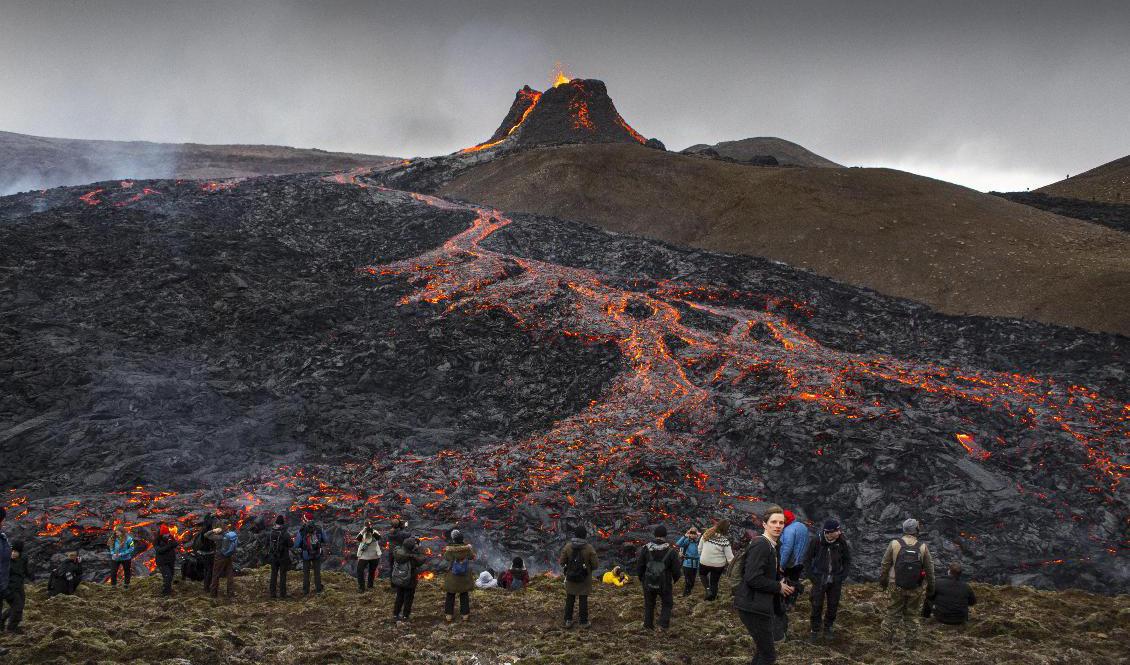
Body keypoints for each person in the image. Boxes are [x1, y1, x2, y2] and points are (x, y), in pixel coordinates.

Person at [733, 505, 793, 665]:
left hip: (758, 606)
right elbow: (752, 578)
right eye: (774, 522)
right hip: (753, 607)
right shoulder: (762, 545)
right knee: (768, 656)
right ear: (764, 524)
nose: (778, 526)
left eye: (781, 523)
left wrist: (780, 582)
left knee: (762, 651)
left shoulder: (772, 546)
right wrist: (777, 587)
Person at [879, 518, 936, 648]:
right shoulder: (922, 547)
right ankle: (911, 647)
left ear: (904, 529)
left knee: (892, 614)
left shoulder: (894, 544)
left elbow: (885, 565)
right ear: (916, 530)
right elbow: (930, 571)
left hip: (895, 585)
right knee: (911, 616)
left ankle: (884, 645)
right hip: (915, 588)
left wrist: (883, 583)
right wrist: (931, 589)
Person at [803, 518, 851, 641]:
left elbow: (847, 560)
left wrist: (842, 576)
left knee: (833, 604)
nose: (839, 532)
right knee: (816, 604)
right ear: (829, 532)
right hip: (819, 579)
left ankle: (828, 627)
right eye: (837, 530)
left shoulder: (841, 542)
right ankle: (814, 630)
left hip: (835, 579)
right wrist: (812, 577)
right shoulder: (816, 541)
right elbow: (807, 559)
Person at [636, 525, 681, 632]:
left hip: (648, 581)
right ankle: (663, 625)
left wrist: (642, 579)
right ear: (665, 535)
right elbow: (676, 570)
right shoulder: (671, 551)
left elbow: (640, 566)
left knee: (649, 604)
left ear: (655, 535)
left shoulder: (646, 549)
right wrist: (674, 579)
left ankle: (648, 625)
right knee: (667, 603)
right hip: (664, 583)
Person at [558, 525, 598, 629]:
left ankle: (568, 620)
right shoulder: (589, 548)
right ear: (585, 535)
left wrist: (569, 568)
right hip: (584, 579)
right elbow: (595, 565)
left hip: (571, 577)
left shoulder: (568, 546)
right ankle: (583, 622)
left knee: (570, 598)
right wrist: (587, 570)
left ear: (575, 534)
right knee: (583, 599)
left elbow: (562, 562)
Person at [442, 529, 476, 622]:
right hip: (464, 576)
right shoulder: (467, 549)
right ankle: (465, 615)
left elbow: (446, 557)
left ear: (453, 539)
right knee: (464, 595)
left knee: (450, 595)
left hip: (453, 576)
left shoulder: (450, 550)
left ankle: (449, 615)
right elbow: (472, 557)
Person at [698, 518, 735, 601]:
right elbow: (730, 558)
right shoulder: (725, 541)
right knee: (714, 581)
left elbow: (699, 549)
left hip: (704, 562)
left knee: (702, 575)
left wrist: (703, 556)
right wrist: (735, 567)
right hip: (718, 565)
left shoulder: (706, 535)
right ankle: (712, 598)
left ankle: (708, 590)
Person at [391, 537, 425, 622]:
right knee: (408, 598)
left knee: (399, 597)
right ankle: (405, 616)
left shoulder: (397, 553)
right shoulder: (412, 558)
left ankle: (396, 614)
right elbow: (421, 560)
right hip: (410, 580)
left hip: (399, 578)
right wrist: (418, 549)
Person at [1, 540, 31, 633]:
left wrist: (31, 576)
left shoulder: (23, 558)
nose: (13, 553)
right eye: (12, 551)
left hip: (19, 586)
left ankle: (2, 619)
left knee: (19, 606)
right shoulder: (5, 562)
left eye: (16, 552)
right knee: (17, 606)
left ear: (20, 552)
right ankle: (12, 628)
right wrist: (5, 590)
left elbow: (25, 570)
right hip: (9, 588)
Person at [295, 512, 328, 595]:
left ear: (305, 519)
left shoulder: (302, 531)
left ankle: (306, 590)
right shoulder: (319, 529)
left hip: (306, 554)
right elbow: (325, 539)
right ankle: (318, 589)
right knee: (317, 572)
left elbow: (296, 544)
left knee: (306, 573)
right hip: (317, 553)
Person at [206, 521, 238, 598]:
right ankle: (231, 593)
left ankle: (213, 594)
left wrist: (213, 530)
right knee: (230, 574)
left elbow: (206, 535)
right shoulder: (229, 534)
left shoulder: (219, 537)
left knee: (215, 575)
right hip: (229, 556)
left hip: (219, 557)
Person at [264, 515, 293, 599]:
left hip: (273, 557)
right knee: (283, 575)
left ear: (276, 523)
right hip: (283, 557)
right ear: (282, 523)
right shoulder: (285, 533)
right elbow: (291, 544)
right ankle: (282, 594)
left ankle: (272, 594)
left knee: (273, 574)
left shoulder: (270, 532)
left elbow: (266, 544)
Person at [355, 520, 382, 593]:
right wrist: (364, 531)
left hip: (374, 555)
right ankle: (361, 587)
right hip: (364, 555)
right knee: (360, 571)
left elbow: (378, 537)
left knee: (371, 571)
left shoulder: (375, 531)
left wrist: (372, 531)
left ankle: (370, 585)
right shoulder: (362, 532)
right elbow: (358, 539)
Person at [192, 514, 217, 591]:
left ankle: (206, 586)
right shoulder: (207, 530)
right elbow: (210, 542)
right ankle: (207, 587)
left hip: (203, 553)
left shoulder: (203, 529)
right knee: (209, 570)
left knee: (207, 570)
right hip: (208, 554)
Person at [675, 526, 702, 596]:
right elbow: (678, 544)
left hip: (696, 564)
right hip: (687, 563)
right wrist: (684, 536)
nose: (692, 535)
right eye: (691, 533)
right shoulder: (687, 541)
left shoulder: (699, 542)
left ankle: (688, 593)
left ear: (697, 534)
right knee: (688, 581)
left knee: (692, 581)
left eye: (694, 533)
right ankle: (686, 594)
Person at [153, 523, 178, 596]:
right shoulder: (156, 541)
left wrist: (172, 542)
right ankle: (165, 592)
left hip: (171, 560)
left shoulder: (170, 537)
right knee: (168, 576)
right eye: (165, 534)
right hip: (162, 562)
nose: (167, 535)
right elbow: (159, 550)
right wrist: (169, 546)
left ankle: (168, 590)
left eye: (168, 533)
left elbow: (176, 544)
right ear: (161, 534)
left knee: (171, 576)